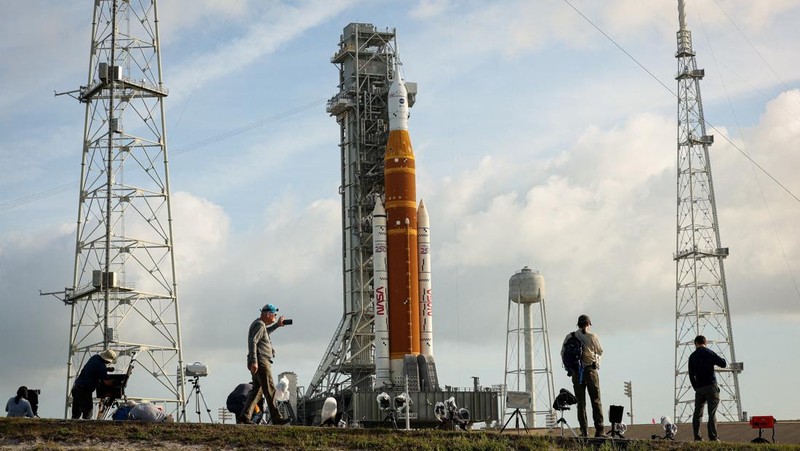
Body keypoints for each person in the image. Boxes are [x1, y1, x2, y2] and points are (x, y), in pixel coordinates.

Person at [238, 303, 291, 425]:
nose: (275, 317)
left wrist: (277, 325)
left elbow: (265, 333)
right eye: (274, 315)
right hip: (261, 361)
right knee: (270, 389)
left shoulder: (260, 325)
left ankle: (245, 416)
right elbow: (253, 342)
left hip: (260, 360)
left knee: (257, 390)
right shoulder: (259, 325)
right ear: (268, 314)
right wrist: (255, 361)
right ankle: (277, 418)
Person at [561, 314, 604, 437]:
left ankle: (584, 431)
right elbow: (600, 352)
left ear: (578, 325)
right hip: (590, 371)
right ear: (588, 324)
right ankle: (599, 430)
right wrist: (596, 362)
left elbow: (562, 353)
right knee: (596, 400)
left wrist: (570, 368)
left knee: (581, 403)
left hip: (576, 373)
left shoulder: (570, 336)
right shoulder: (592, 337)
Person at [689, 335, 727, 441]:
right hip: (711, 386)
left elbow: (691, 375)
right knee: (712, 413)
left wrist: (695, 387)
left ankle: (697, 437)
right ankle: (713, 437)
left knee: (697, 413)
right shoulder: (709, 353)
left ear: (695, 343)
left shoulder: (692, 356)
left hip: (699, 388)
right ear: (705, 343)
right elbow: (723, 364)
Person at [71, 349, 117, 419]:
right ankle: (85, 428)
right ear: (107, 360)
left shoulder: (95, 357)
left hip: (76, 388)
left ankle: (71, 428)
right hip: (84, 391)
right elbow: (107, 382)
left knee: (76, 414)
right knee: (88, 413)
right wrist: (115, 383)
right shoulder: (101, 367)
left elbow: (94, 368)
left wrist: (106, 369)